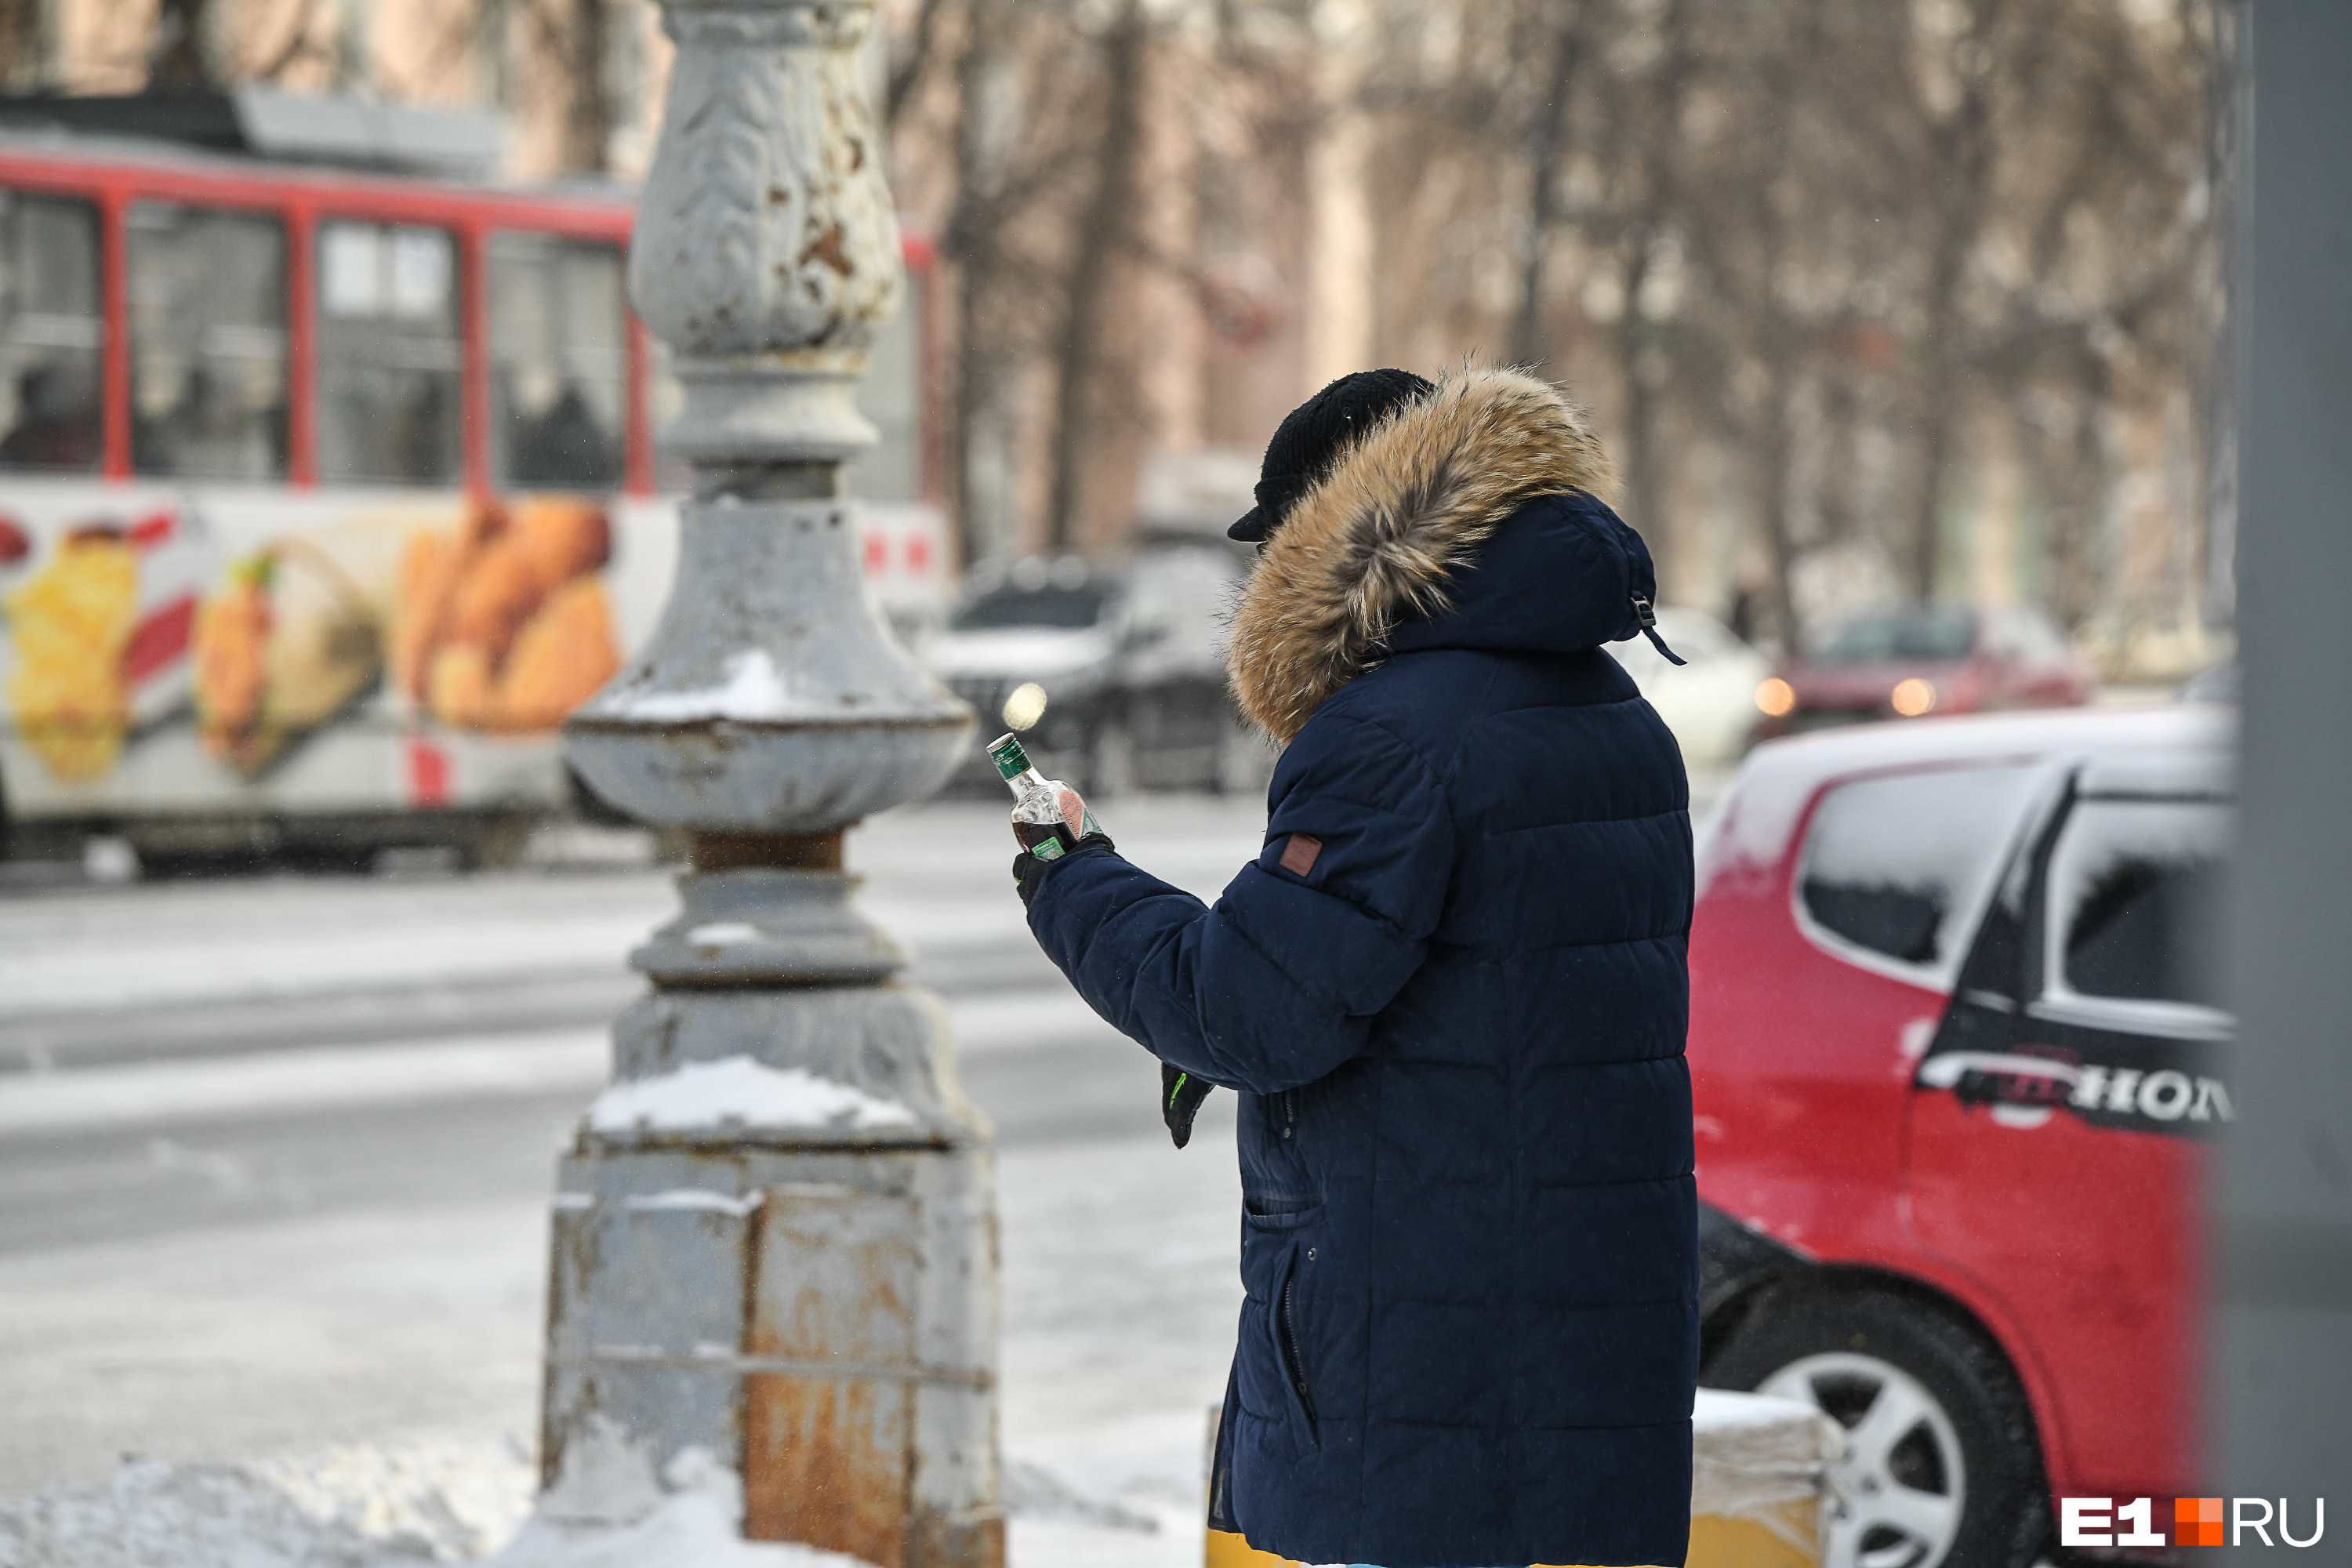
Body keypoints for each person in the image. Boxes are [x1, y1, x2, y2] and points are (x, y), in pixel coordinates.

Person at [1014, 366, 1699, 1568]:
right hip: (1582, 1328)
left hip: (1419, 1352)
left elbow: (1254, 1013)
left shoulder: (1390, 737)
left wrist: (1073, 876)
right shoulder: (1613, 711)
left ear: (1329, 542)